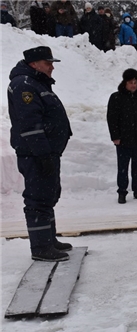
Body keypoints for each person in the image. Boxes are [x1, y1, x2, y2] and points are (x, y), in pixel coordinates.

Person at [8, 46, 73, 261]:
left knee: (48, 195)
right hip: (36, 153)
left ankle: (48, 239)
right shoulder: (24, 85)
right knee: (38, 199)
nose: (52, 67)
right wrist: (43, 153)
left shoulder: (35, 82)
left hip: (47, 151)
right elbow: (30, 124)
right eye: (48, 63)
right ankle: (41, 248)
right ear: (34, 64)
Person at [107, 69, 137, 204]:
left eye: (135, 82)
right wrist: (115, 136)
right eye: (130, 82)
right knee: (123, 167)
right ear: (125, 83)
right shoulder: (116, 97)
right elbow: (112, 119)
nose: (133, 85)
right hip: (123, 139)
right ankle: (122, 192)